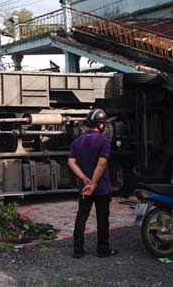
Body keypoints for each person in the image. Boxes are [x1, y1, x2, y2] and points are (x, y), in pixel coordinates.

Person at [67, 108, 119, 258]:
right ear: (101, 125)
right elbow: (101, 165)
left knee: (82, 216)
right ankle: (102, 249)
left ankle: (78, 250)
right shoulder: (104, 141)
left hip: (84, 188)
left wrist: (84, 179)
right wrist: (94, 183)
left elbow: (71, 162)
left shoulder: (77, 141)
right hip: (101, 188)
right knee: (102, 218)